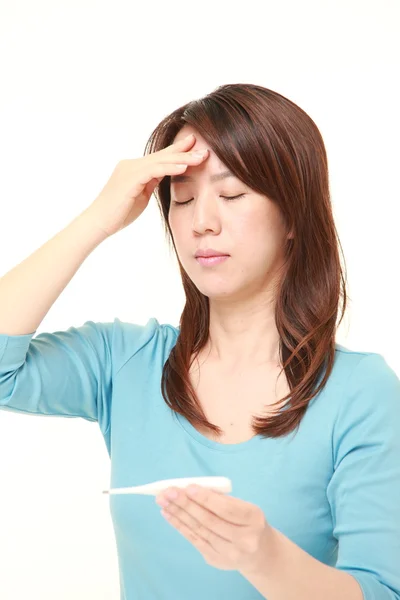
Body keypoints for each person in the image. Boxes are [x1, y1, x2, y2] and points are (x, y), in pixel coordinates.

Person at [0, 83, 399, 600]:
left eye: (231, 195)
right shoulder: (125, 363)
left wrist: (265, 558)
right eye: (182, 200)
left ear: (295, 217)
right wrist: (98, 219)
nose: (201, 223)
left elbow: (383, 590)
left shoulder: (360, 392)